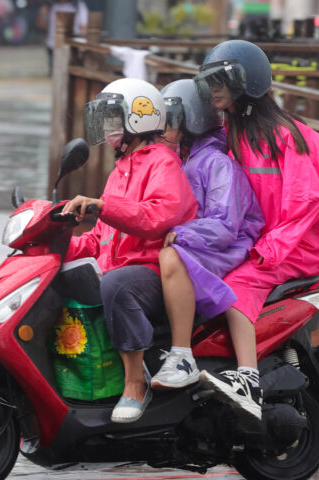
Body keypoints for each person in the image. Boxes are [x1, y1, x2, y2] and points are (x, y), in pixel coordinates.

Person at [193, 39, 319, 420]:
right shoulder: (232, 134)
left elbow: (308, 201)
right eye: (211, 81)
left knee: (237, 286)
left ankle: (248, 380)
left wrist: (272, 249)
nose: (214, 88)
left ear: (247, 83)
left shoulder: (282, 135)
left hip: (302, 243)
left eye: (222, 80)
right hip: (267, 237)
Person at [61, 78, 198, 423]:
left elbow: (157, 218)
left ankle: (136, 383)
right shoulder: (119, 172)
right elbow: (98, 241)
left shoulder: (163, 163)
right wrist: (55, 245)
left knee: (116, 285)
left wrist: (103, 206)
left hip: (153, 273)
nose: (107, 128)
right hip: (119, 269)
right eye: (104, 119)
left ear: (138, 120)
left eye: (113, 119)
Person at [149, 79, 264, 390]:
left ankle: (181, 355)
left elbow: (225, 225)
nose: (163, 129)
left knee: (171, 257)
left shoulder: (216, 163)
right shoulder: (180, 160)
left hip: (223, 246)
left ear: (192, 121)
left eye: (170, 121)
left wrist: (181, 233)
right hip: (200, 242)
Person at [37, 0, 89, 76]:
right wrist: (42, 13)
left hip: (72, 47)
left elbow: (84, 28)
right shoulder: (51, 5)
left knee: (71, 75)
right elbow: (41, 25)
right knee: (55, 75)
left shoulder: (77, 5)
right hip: (53, 46)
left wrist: (81, 46)